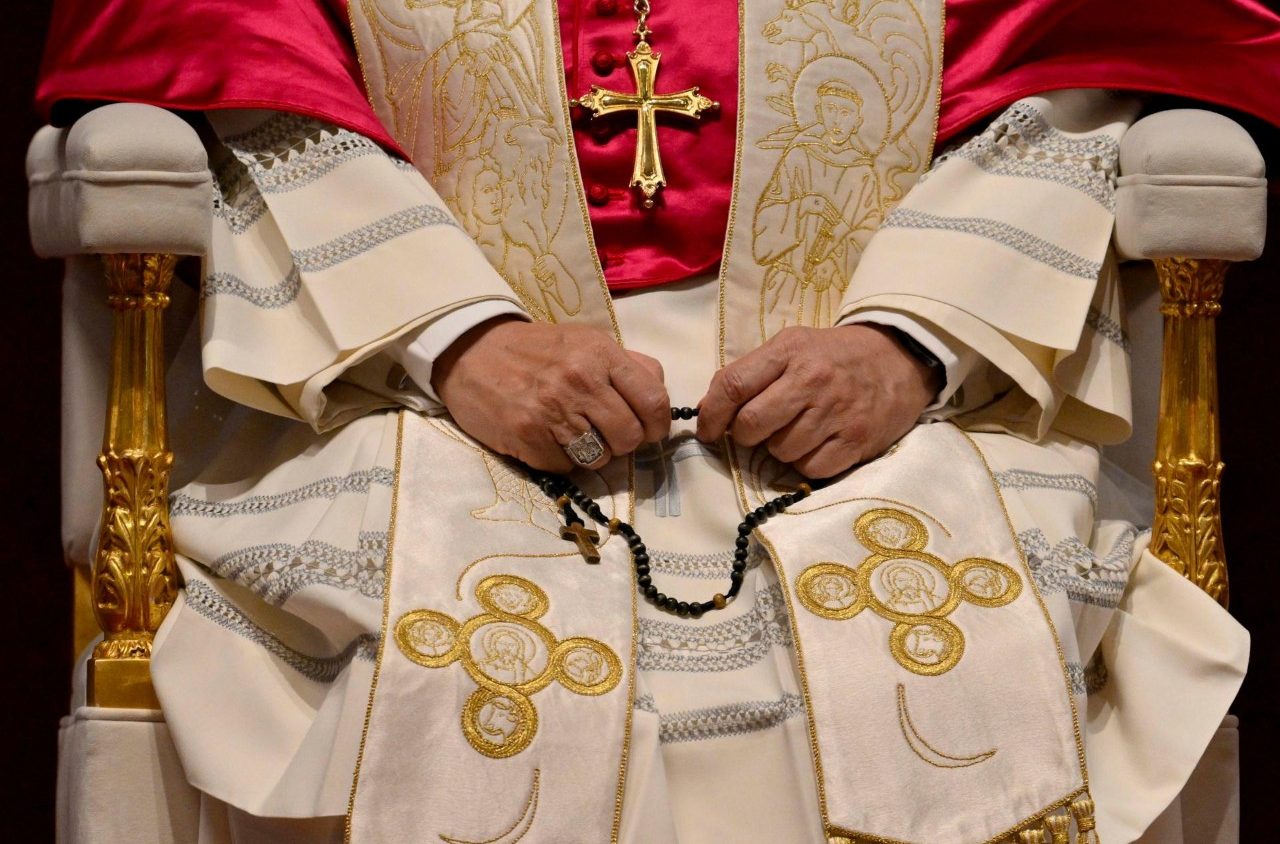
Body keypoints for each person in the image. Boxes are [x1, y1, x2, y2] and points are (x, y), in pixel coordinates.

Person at [35, 0, 1280, 841]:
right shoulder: (441, 353)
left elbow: (1086, 72)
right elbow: (243, 71)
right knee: (419, 644)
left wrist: (908, 343)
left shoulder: (904, 362)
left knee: (953, 643)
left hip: (895, 394)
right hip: (409, 383)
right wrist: (458, 336)